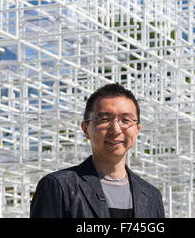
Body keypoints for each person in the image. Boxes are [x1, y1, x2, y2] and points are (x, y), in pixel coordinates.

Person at [30, 83, 165, 218]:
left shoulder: (151, 197)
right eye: (104, 119)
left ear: (137, 130)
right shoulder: (58, 187)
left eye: (125, 120)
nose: (116, 130)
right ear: (85, 129)